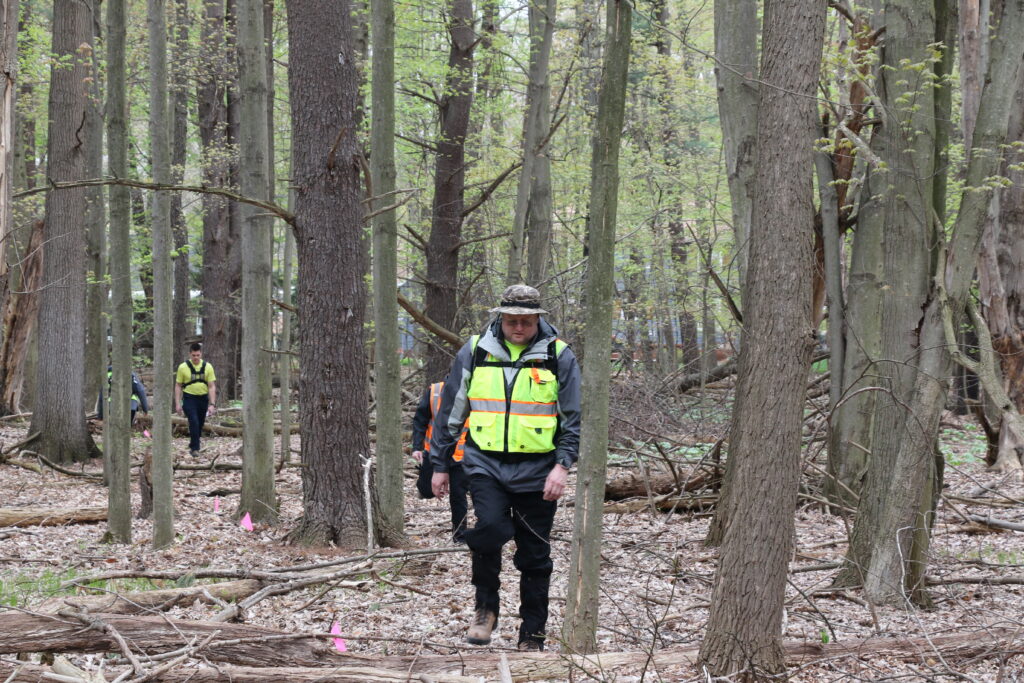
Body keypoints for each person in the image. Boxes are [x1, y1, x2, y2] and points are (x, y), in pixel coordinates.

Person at [429, 284, 581, 652]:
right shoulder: (476, 351)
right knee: (491, 530)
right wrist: (440, 464)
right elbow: (452, 411)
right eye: (512, 321)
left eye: (526, 322)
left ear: (538, 320)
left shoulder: (558, 356)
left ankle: (532, 634)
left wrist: (562, 466)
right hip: (486, 463)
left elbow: (573, 418)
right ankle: (485, 611)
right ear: (500, 318)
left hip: (538, 469)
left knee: (534, 554)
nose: (518, 328)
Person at [411, 379, 470, 543]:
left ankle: (460, 536)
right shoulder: (435, 391)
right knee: (426, 489)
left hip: (461, 454)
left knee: (458, 495)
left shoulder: (475, 390)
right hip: (434, 451)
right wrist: (417, 447)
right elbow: (420, 420)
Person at [174, 342, 217, 457]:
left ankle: (193, 443)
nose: (196, 358)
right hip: (189, 398)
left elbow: (211, 386)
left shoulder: (208, 367)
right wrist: (178, 403)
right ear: (190, 354)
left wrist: (212, 404)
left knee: (200, 423)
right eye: (193, 355)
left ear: (201, 354)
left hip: (203, 399)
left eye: (198, 355)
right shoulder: (183, 367)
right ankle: (195, 449)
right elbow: (178, 386)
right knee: (193, 421)